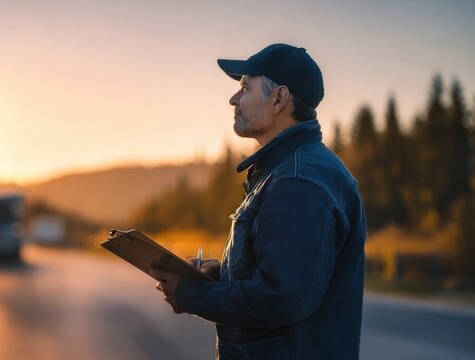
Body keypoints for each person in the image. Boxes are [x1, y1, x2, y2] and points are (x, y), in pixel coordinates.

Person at [149, 44, 367, 359]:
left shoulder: (297, 180)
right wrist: (220, 277)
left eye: (244, 88)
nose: (233, 99)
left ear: (279, 98)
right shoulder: (288, 170)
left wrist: (193, 294)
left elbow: (281, 298)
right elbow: (283, 276)